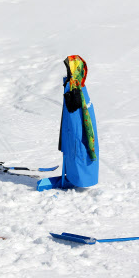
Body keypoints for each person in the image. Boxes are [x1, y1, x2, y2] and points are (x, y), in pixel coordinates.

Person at [37, 55, 99, 191]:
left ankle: (77, 177)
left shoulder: (77, 91)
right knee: (71, 145)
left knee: (77, 146)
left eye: (69, 68)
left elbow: (80, 118)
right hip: (71, 127)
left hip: (76, 128)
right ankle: (70, 175)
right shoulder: (76, 86)